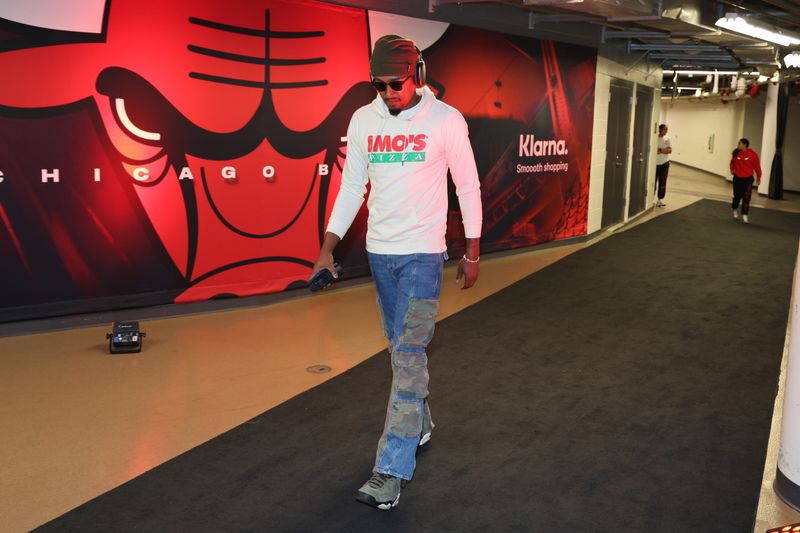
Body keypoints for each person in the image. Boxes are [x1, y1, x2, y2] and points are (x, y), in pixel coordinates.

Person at [310, 35, 483, 510]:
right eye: (380, 85)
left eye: (397, 84)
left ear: (419, 74)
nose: (389, 93)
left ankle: (390, 471)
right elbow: (351, 189)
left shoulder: (446, 121)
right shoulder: (363, 120)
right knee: (399, 349)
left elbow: (466, 184)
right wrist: (328, 248)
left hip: (424, 257)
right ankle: (420, 423)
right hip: (380, 257)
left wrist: (472, 249)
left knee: (409, 356)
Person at [729, 138, 762, 224]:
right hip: (737, 179)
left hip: (748, 180)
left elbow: (757, 167)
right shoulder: (736, 153)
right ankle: (734, 208)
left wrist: (759, 178)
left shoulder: (753, 154)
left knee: (747, 197)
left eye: (739, 144)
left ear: (744, 145)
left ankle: (745, 214)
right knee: (737, 196)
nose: (738, 145)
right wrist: (732, 170)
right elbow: (732, 163)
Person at [654, 123, 672, 207]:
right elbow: (654, 150)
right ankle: (650, 200)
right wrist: (663, 150)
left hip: (664, 163)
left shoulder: (668, 139)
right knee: (653, 182)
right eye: (664, 129)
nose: (665, 131)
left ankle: (660, 200)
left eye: (666, 129)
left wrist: (660, 150)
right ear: (660, 129)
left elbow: (669, 150)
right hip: (654, 164)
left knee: (662, 182)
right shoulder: (654, 138)